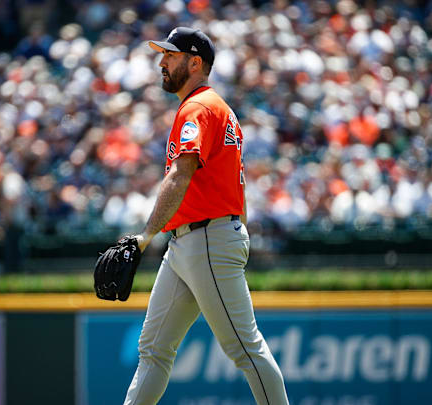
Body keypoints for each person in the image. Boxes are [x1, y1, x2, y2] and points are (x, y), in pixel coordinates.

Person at [125, 27, 289, 405]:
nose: (162, 62)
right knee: (153, 349)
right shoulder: (213, 107)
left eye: (170, 55)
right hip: (192, 240)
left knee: (245, 349)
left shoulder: (198, 107)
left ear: (194, 62)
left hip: (207, 239)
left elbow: (180, 173)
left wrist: (144, 236)